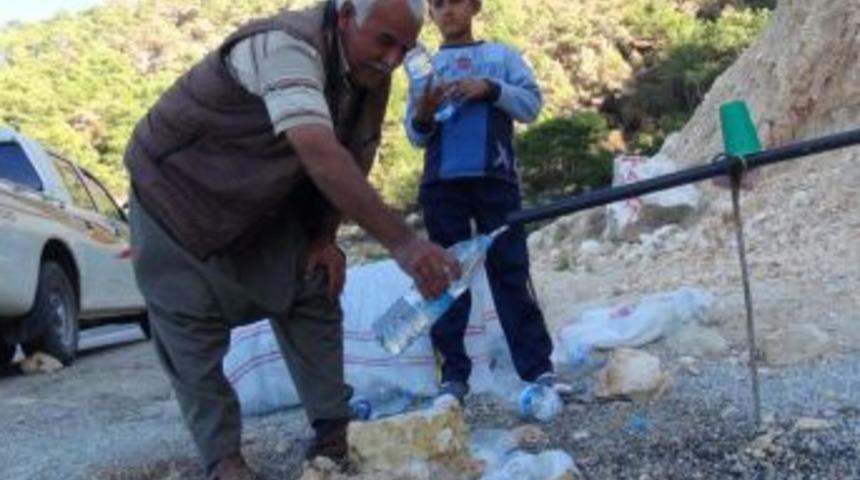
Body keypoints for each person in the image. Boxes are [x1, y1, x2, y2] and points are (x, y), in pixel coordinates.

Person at [123, 0, 460, 478]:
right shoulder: (283, 46)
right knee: (190, 327)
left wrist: (325, 236)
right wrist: (405, 244)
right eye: (384, 41)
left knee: (312, 284)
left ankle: (333, 432)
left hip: (263, 200)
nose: (392, 60)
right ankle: (224, 460)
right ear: (346, 16)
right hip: (177, 198)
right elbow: (319, 152)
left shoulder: (372, 72)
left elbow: (357, 150)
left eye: (405, 48)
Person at [404, 0, 556, 405]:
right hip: (441, 186)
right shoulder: (424, 67)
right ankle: (453, 377)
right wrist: (424, 110)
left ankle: (538, 369)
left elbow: (532, 105)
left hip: (496, 181)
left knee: (510, 272)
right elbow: (415, 135)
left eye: (455, 2)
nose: (447, 11)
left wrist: (490, 89)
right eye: (437, 5)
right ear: (430, 15)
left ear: (474, 7)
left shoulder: (500, 57)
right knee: (447, 280)